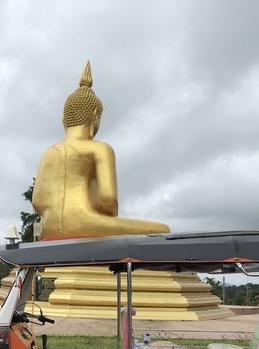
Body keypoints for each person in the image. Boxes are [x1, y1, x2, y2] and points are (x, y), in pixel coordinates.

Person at [32, 61, 170, 240]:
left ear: (63, 117)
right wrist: (99, 211)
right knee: (162, 230)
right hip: (86, 222)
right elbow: (109, 200)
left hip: (49, 227)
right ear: (96, 115)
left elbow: (38, 201)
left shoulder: (49, 152)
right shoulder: (100, 149)